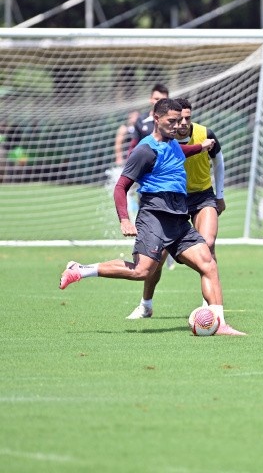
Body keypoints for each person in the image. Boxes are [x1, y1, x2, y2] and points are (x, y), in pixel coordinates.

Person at [59, 98, 245, 336]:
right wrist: (124, 219)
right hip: (154, 217)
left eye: (180, 121)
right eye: (172, 121)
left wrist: (201, 147)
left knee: (208, 263)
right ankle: (80, 269)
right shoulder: (144, 151)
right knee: (142, 271)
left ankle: (219, 323)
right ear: (156, 119)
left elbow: (181, 151)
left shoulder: (172, 143)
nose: (178, 126)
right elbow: (121, 187)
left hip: (178, 219)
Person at [127, 98, 226, 319]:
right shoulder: (163, 138)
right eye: (179, 118)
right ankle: (146, 304)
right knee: (156, 260)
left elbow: (218, 159)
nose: (183, 123)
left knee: (207, 245)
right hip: (170, 203)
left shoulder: (204, 132)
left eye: (187, 118)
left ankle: (210, 309)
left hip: (202, 196)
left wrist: (219, 195)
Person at [130, 83, 176, 269]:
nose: (159, 102)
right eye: (157, 99)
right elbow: (134, 146)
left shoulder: (172, 122)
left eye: (163, 99)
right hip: (146, 177)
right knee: (147, 209)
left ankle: (170, 248)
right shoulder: (142, 122)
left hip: (167, 178)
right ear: (151, 99)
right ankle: (148, 248)